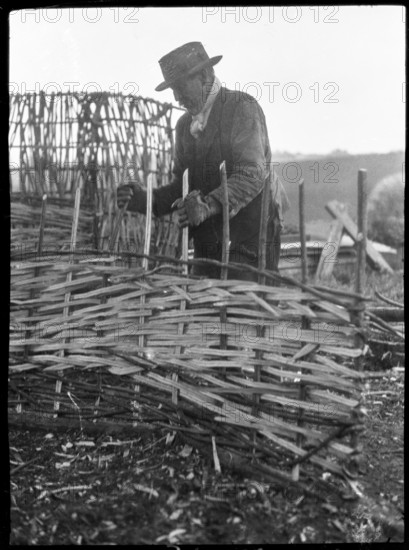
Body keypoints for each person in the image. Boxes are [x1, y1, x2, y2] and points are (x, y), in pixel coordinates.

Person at [117, 42, 289, 280]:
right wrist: (144, 199)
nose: (177, 98)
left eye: (180, 87)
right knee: (205, 311)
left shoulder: (242, 108)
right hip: (207, 246)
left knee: (246, 311)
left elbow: (252, 173)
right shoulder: (184, 127)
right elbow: (181, 186)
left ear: (206, 75)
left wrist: (208, 205)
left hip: (249, 238)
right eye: (172, 90)